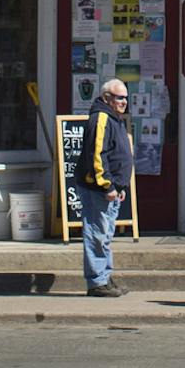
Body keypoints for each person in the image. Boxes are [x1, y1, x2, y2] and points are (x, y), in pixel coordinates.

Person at [75, 77, 134, 297]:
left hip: (112, 189)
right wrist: (107, 185)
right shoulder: (101, 118)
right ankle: (96, 282)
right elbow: (97, 155)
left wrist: (120, 186)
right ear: (107, 97)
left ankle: (105, 278)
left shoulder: (114, 118)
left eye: (126, 98)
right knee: (96, 234)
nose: (124, 102)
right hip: (98, 189)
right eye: (120, 98)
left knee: (105, 234)